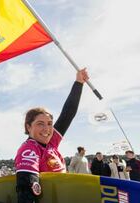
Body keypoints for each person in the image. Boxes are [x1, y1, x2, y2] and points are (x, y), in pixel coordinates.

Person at [14, 69, 88, 203]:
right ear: (28, 127)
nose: (47, 129)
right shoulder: (29, 149)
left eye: (49, 124)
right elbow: (27, 189)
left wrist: (78, 83)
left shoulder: (51, 142)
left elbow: (68, 114)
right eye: (40, 124)